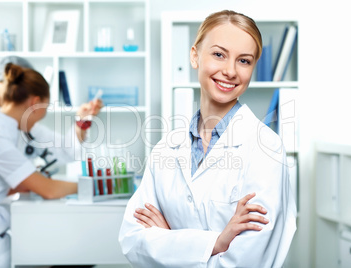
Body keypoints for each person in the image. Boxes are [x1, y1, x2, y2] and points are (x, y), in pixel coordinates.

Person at [119, 10, 296, 267]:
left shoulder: (265, 148)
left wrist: (169, 240)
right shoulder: (166, 149)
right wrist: (215, 242)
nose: (230, 71)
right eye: (219, 54)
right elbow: (132, 240)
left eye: (244, 61)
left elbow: (248, 261)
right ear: (195, 56)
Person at [0, 64, 78, 267]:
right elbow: (49, 190)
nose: (42, 117)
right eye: (45, 110)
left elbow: (2, 184)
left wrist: (31, 179)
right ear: (35, 102)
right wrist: (91, 186)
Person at [0, 56, 103, 169]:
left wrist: (82, 121)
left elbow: (67, 151)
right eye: (12, 82)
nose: (16, 89)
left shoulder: (27, 125)